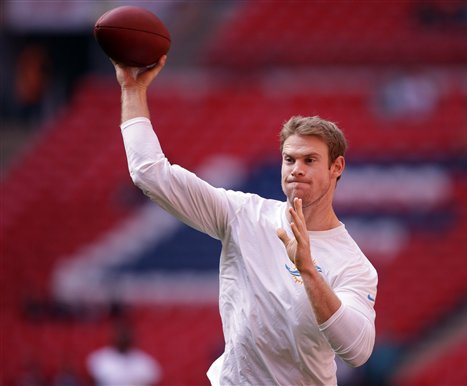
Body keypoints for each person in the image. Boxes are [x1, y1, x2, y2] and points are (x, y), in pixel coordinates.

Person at [112, 55, 378, 385]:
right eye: (289, 159)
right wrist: (133, 88)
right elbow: (149, 174)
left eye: (310, 160)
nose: (296, 168)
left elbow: (357, 350)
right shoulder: (244, 214)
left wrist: (307, 269)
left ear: (336, 167)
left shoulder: (353, 264)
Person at [86, 323, 161, 386]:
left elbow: (152, 380)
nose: (123, 339)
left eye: (125, 336)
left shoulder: (144, 361)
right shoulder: (99, 358)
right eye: (120, 335)